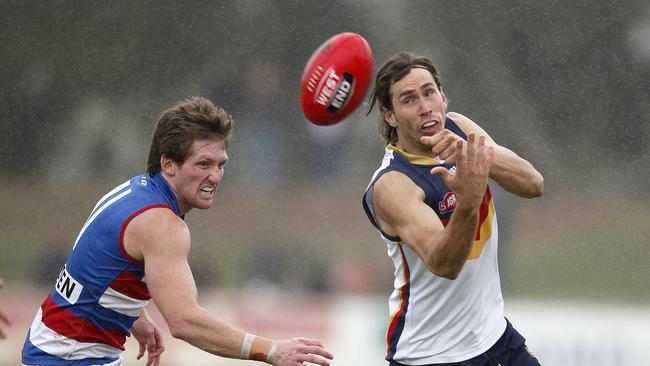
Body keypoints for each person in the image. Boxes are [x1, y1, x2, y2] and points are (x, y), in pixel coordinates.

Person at [22, 97, 334, 366]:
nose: (215, 176)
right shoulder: (162, 224)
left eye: (221, 164)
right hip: (70, 357)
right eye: (203, 164)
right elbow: (185, 320)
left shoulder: (133, 191)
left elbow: (94, 267)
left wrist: (133, 313)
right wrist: (273, 350)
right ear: (169, 164)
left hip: (52, 347)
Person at [362, 53, 544, 366]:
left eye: (429, 92)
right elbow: (444, 263)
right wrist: (470, 200)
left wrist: (470, 153)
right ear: (390, 116)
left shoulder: (459, 128)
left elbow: (532, 183)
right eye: (408, 100)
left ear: (444, 97)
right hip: (431, 354)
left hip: (494, 336)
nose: (424, 107)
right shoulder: (393, 184)